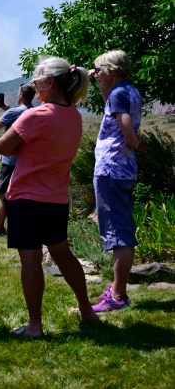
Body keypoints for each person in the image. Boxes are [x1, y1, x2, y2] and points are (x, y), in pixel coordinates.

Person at [0, 57, 99, 338]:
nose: (33, 84)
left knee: (30, 260)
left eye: (36, 78)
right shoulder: (74, 116)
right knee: (63, 254)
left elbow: (0, 146)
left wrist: (22, 149)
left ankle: (34, 326)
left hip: (26, 198)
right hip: (57, 198)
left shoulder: (35, 115)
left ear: (50, 82)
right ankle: (87, 311)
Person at [89, 50, 144, 313]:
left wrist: (134, 142)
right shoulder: (127, 90)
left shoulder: (118, 93)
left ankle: (118, 296)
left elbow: (124, 124)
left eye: (98, 69)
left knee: (118, 233)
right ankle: (115, 288)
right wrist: (99, 84)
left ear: (111, 69)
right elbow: (112, 109)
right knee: (120, 227)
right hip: (123, 169)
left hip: (111, 169)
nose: (95, 73)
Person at [0, 84, 35, 237]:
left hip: (9, 162)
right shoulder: (34, 111)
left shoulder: (15, 112)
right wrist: (7, 109)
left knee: (4, 194)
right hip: (25, 160)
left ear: (21, 95)